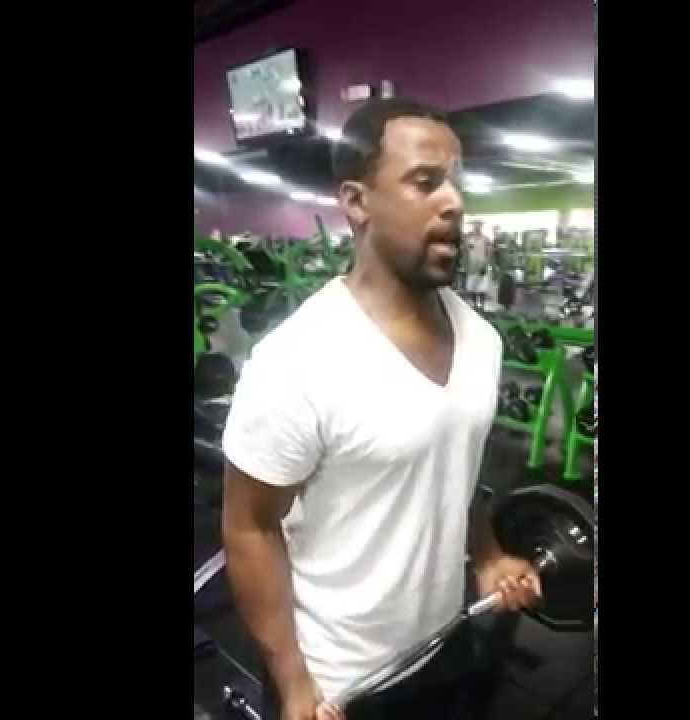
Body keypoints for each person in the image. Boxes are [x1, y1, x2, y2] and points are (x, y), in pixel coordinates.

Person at [220, 98, 543, 720]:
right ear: (356, 201)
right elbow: (248, 528)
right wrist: (294, 685)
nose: (454, 202)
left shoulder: (483, 341)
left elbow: (453, 469)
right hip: (339, 682)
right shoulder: (297, 359)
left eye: (456, 181)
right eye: (425, 181)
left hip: (444, 642)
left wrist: (487, 555)